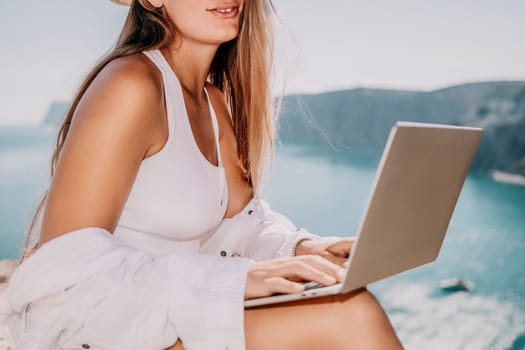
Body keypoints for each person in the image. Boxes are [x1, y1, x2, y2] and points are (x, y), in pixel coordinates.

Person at [1, 0, 404, 349]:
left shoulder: (212, 102)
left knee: (348, 301)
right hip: (104, 334)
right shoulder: (131, 84)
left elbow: (240, 227)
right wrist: (231, 281)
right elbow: (62, 274)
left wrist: (304, 249)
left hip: (170, 325)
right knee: (350, 314)